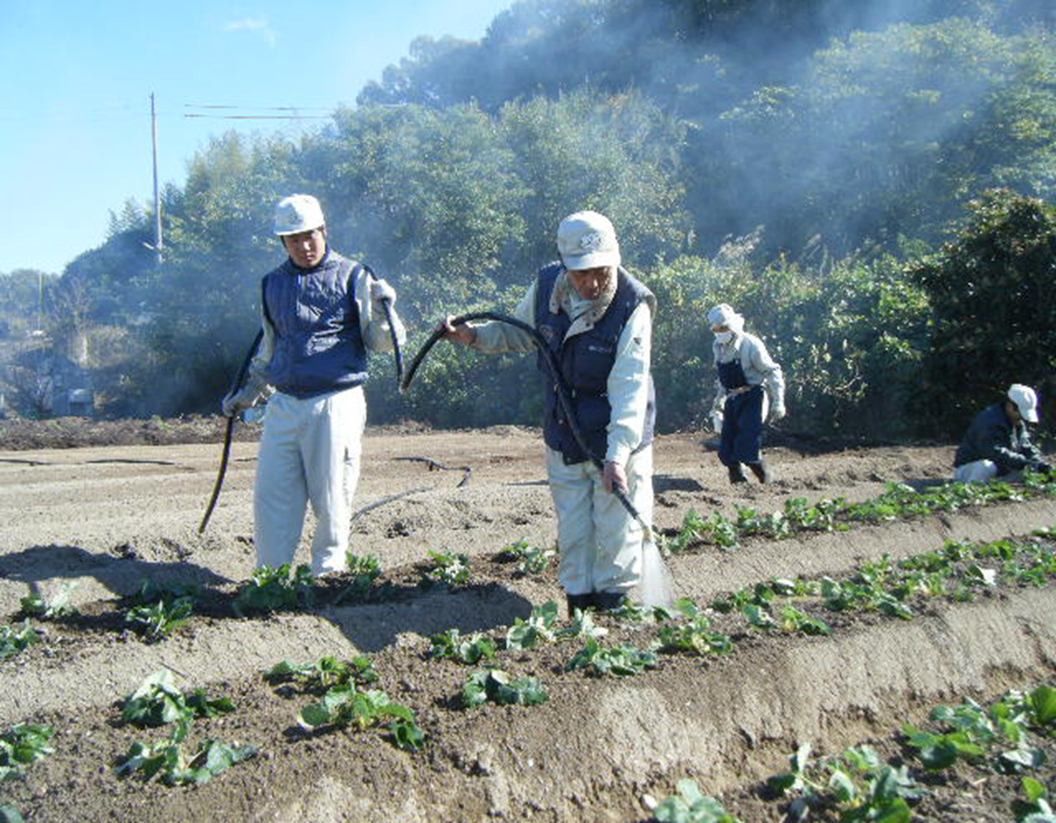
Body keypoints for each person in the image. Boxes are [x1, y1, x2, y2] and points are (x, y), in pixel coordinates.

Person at [441, 211, 658, 615]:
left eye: (600, 271)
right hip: (566, 433)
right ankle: (579, 608)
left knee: (618, 532)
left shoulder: (632, 305)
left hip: (618, 438)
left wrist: (618, 455)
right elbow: (520, 333)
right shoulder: (546, 289)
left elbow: (629, 385)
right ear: (564, 265)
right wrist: (471, 336)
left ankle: (614, 609)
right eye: (581, 274)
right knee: (574, 532)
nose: (592, 283)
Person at [221, 194, 405, 576]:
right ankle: (270, 580)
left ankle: (327, 576)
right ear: (282, 243)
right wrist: (248, 394)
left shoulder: (355, 275)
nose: (304, 246)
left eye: (310, 236)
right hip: (285, 403)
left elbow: (383, 343)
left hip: (335, 400)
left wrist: (386, 308)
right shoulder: (271, 284)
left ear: (324, 231)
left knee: (332, 496)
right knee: (273, 497)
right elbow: (271, 348)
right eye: (294, 239)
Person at [707, 303, 785, 484]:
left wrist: (778, 401)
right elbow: (723, 378)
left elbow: (772, 371)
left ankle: (767, 480)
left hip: (754, 396)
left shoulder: (751, 344)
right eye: (716, 329)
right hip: (733, 398)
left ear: (732, 326)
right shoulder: (718, 346)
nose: (719, 332)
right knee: (726, 447)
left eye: (723, 328)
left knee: (747, 442)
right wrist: (718, 401)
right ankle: (739, 483)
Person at [953, 384, 1051, 483]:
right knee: (986, 466)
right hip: (970, 469)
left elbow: (1025, 447)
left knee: (1029, 472)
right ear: (1010, 405)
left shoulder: (1016, 423)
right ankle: (973, 487)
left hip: (999, 469)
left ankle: (993, 487)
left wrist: (1039, 463)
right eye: (1020, 413)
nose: (1022, 418)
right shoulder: (989, 420)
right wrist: (1024, 462)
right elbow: (993, 452)